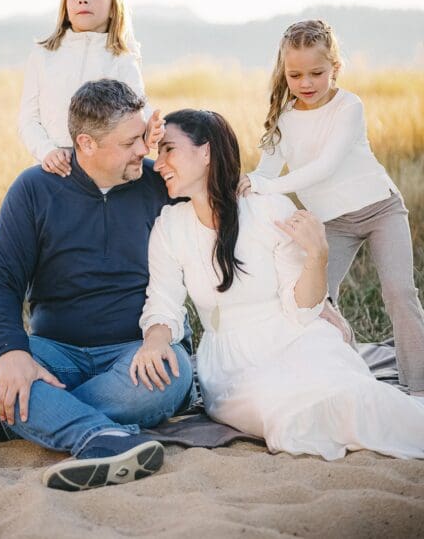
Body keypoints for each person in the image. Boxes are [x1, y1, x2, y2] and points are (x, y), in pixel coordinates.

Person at [0, 79, 194, 492]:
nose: (143, 150)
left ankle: (23, 417)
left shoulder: (157, 185)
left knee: (176, 370)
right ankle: (96, 435)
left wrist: (236, 182)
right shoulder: (35, 189)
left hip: (132, 354)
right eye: (131, 141)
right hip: (55, 353)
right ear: (87, 144)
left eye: (144, 135)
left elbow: (214, 202)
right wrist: (14, 353)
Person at [137, 109, 424, 459]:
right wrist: (154, 340)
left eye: (168, 149)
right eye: (158, 151)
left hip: (296, 336)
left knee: (353, 393)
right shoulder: (170, 226)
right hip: (232, 366)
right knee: (285, 410)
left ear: (206, 151)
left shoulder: (269, 208)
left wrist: (317, 255)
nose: (159, 161)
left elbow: (302, 310)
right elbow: (163, 302)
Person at [238, 19, 424, 394]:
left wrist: (266, 185)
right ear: (284, 73)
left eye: (316, 73)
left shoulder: (349, 106)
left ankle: (419, 386)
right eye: (296, 74)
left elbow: (325, 166)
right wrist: (248, 184)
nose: (306, 83)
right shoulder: (282, 119)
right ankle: (344, 377)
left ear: (335, 69)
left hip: (380, 211)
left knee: (398, 293)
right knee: (316, 301)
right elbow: (265, 172)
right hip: (332, 224)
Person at [19, 0, 160, 178]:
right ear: (65, 6)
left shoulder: (122, 57)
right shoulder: (43, 55)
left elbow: (139, 109)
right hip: (57, 168)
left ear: (114, 6)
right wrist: (47, 151)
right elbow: (28, 119)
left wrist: (151, 128)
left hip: (105, 169)